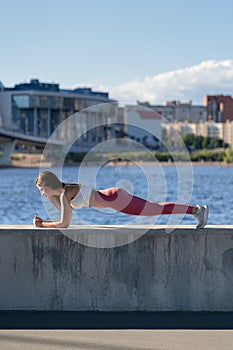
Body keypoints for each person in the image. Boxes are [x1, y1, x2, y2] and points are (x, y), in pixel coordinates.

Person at [33, 171, 209, 229]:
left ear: (49, 184)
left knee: (157, 209)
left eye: (42, 188)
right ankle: (195, 210)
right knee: (156, 207)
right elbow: (64, 215)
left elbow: (64, 223)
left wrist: (43, 225)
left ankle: (196, 211)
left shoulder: (66, 193)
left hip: (115, 200)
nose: (41, 192)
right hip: (114, 197)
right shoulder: (65, 192)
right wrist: (49, 202)